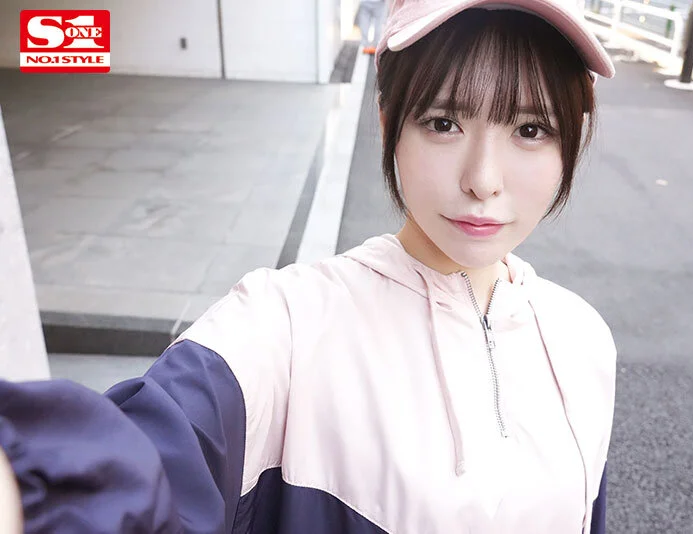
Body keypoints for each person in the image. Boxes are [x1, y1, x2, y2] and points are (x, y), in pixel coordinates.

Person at [0, 0, 617, 532]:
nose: (483, 179)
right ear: (388, 124)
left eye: (530, 129)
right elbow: (157, 451)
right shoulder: (288, 328)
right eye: (443, 122)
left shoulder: (582, 340)